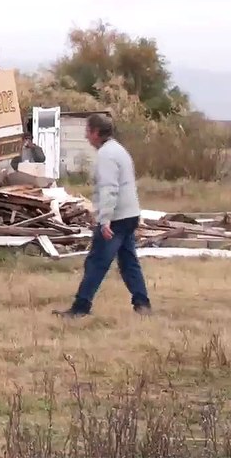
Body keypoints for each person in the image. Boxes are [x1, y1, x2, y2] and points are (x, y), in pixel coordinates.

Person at [53, 113, 152, 317]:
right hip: (129, 214)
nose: (86, 136)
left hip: (116, 217)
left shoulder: (106, 155)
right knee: (128, 261)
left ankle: (80, 307)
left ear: (96, 132)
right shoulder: (119, 150)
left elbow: (109, 188)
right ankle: (142, 303)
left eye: (88, 131)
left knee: (97, 262)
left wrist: (105, 219)